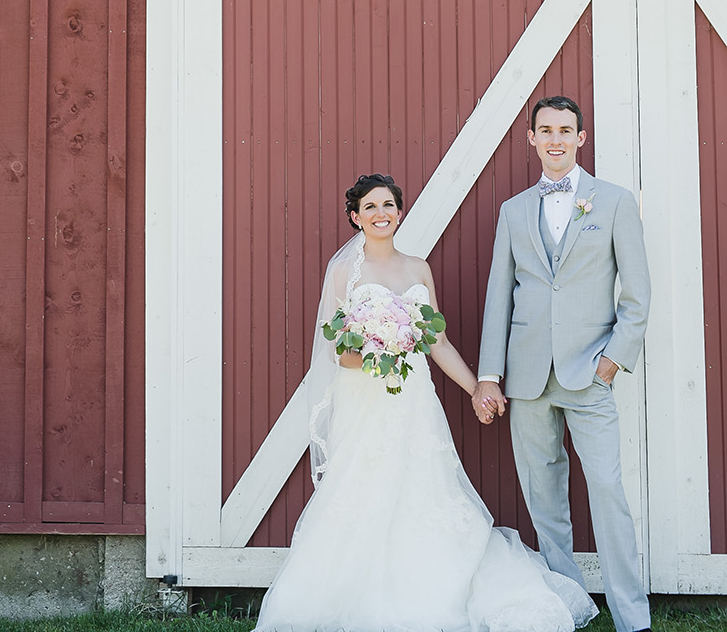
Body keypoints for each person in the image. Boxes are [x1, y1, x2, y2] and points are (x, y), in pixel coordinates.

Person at [254, 172, 598, 632]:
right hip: (366, 403)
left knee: (424, 487)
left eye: (389, 205)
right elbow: (341, 352)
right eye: (371, 207)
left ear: (400, 211)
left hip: (414, 400)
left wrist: (478, 386)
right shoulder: (343, 272)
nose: (382, 214)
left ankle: (437, 584)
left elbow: (437, 343)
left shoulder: (419, 269)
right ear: (355, 217)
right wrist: (384, 346)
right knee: (364, 490)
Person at [472, 96, 652, 632]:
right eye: (545, 130)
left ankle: (632, 617)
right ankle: (567, 608)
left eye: (565, 130)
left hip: (589, 373)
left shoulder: (615, 202)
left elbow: (637, 295)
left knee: (608, 492)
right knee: (544, 500)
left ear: (580, 138)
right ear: (531, 139)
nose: (555, 138)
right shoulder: (514, 210)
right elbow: (498, 296)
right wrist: (489, 375)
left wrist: (613, 362)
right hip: (527, 378)